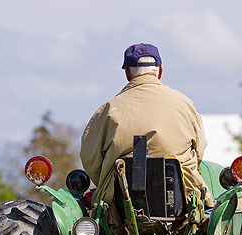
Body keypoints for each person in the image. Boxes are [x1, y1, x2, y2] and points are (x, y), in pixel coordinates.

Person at [80, 43, 213, 216]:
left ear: (127, 73)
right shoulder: (183, 104)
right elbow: (199, 149)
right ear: (160, 70)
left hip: (120, 208)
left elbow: (90, 159)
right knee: (210, 210)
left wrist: (106, 181)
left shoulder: (108, 110)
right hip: (183, 201)